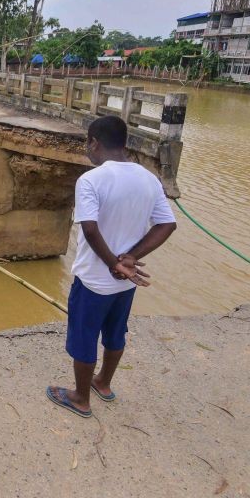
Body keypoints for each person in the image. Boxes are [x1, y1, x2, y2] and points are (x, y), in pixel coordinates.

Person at [46, 115, 177, 418]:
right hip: (126, 283)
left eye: (87, 144)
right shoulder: (148, 178)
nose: (87, 150)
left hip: (94, 280)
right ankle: (103, 383)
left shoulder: (91, 179)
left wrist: (113, 264)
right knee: (116, 333)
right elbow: (166, 225)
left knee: (84, 336)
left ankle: (80, 397)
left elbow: (90, 229)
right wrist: (129, 259)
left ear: (94, 142)